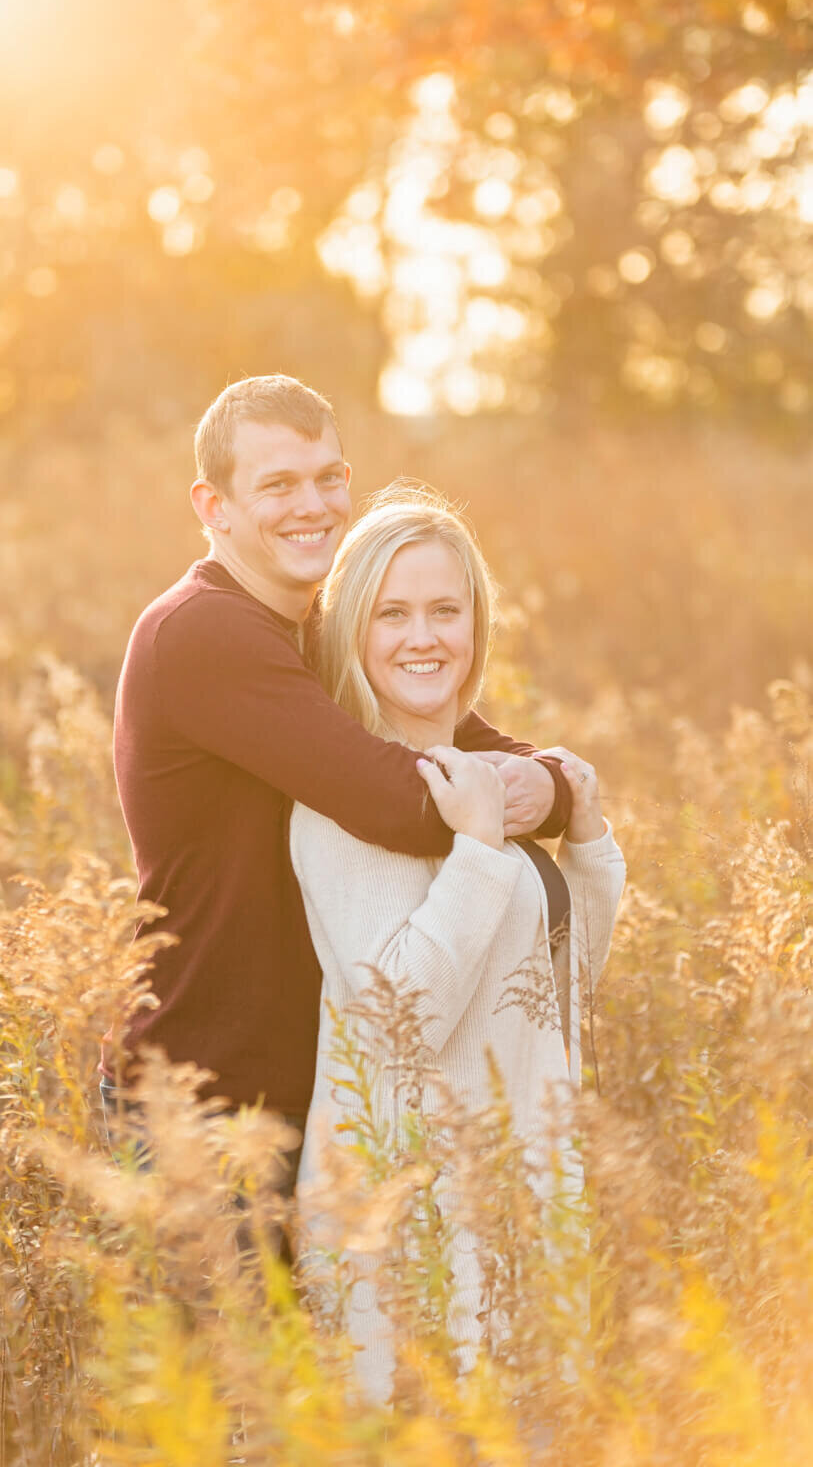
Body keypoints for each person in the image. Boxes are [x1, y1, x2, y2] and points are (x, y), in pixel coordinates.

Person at [107, 376, 572, 1201]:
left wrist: (552, 784)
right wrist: (510, 802)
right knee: (231, 1336)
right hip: (205, 1103)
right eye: (277, 485)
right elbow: (393, 797)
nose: (312, 505)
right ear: (211, 506)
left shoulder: (316, 629)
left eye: (328, 477)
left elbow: (458, 740)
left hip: (316, 1090)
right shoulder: (204, 633)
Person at [290, 487, 626, 1399]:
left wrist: (584, 833)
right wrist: (477, 849)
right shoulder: (341, 805)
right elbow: (402, 1024)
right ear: (353, 631)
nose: (422, 637)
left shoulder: (480, 782)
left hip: (521, 1194)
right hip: (413, 1223)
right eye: (391, 614)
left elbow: (556, 985)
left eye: (445, 610)